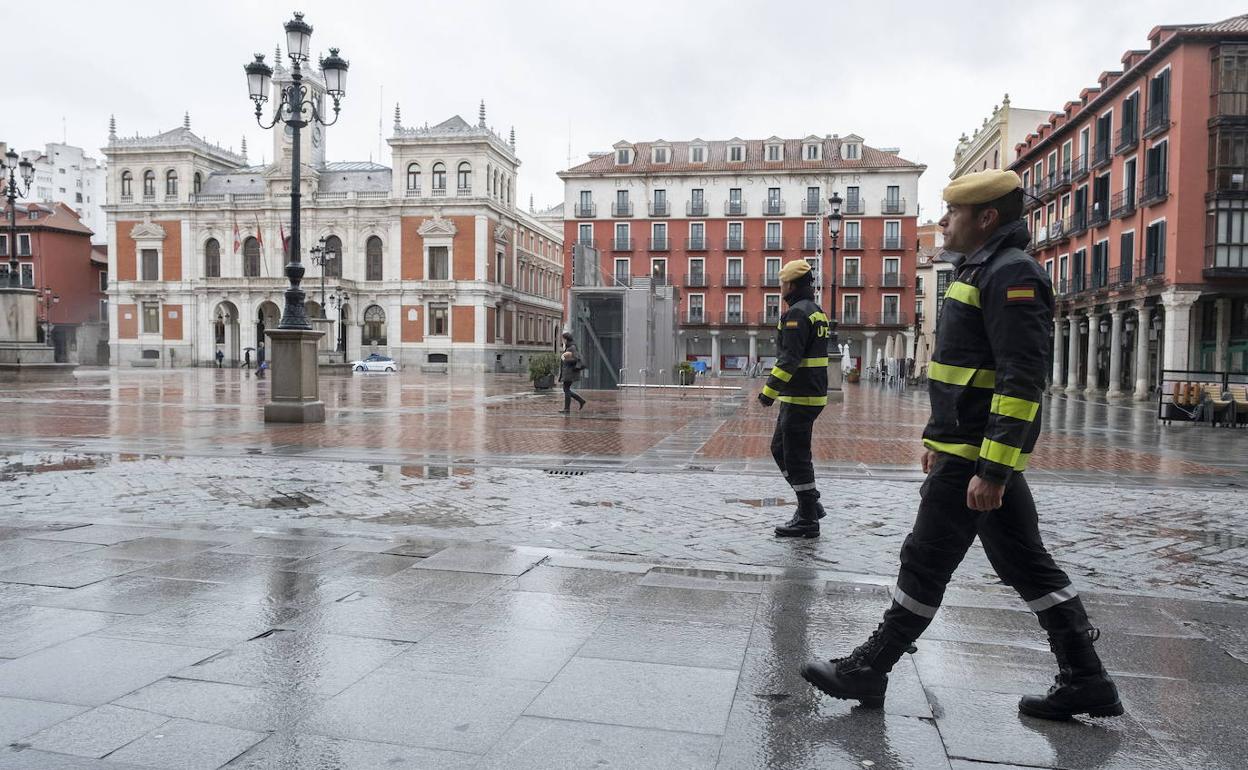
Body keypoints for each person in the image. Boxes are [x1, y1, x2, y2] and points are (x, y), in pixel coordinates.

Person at [799, 169, 1122, 721]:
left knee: (925, 559)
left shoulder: (1012, 274)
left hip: (978, 457)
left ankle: (869, 669)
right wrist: (938, 439)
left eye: (953, 213)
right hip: (965, 449)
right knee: (1027, 567)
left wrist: (992, 469)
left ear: (986, 218)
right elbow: (963, 373)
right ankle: (1087, 679)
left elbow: (1020, 380)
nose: (943, 222)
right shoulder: (983, 269)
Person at [758, 259, 831, 538]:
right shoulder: (816, 312)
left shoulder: (796, 315)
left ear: (791, 284)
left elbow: (789, 358)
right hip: (810, 393)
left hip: (800, 396)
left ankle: (808, 519)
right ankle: (809, 503)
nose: (781, 287)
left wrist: (768, 392)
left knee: (797, 457)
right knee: (780, 449)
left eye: (783, 282)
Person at [558, 331, 586, 414]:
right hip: (568, 372)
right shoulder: (569, 347)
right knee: (566, 389)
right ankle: (580, 401)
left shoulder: (571, 347)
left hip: (570, 372)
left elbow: (576, 359)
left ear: (566, 339)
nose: (562, 340)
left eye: (563, 339)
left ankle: (567, 409)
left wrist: (565, 359)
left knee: (566, 389)